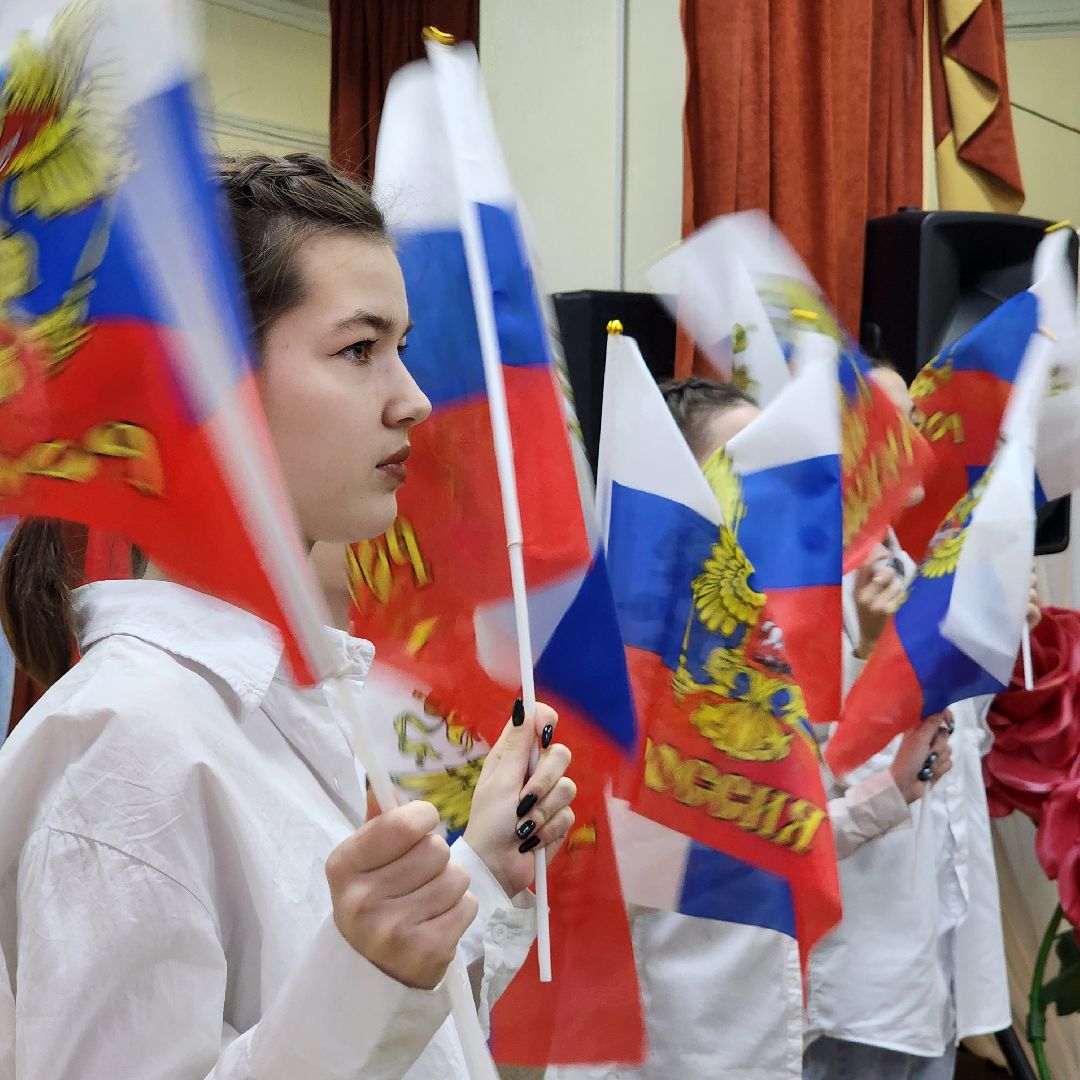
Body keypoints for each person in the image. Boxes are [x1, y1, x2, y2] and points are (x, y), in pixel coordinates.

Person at [0, 153, 577, 1079]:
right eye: (359, 350)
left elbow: (389, 1040)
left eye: (402, 346)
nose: (415, 399)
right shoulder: (126, 740)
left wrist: (484, 874)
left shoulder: (278, 697)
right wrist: (363, 976)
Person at [550, 376, 949, 1080]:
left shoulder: (750, 649)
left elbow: (761, 844)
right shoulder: (613, 664)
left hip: (762, 1043)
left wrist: (891, 790)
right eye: (747, 466)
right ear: (681, 489)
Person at [803, 361, 1023, 1080]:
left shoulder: (911, 565)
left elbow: (954, 761)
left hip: (928, 954)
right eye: (891, 425)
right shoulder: (797, 586)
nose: (917, 441)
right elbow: (808, 776)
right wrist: (866, 652)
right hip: (855, 969)